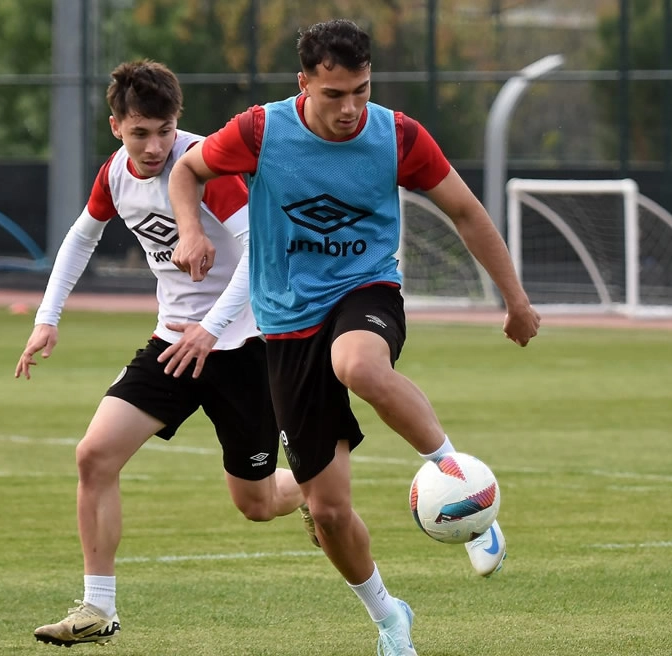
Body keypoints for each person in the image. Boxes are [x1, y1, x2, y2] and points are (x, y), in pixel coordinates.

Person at [168, 19, 541, 656]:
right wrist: (190, 230)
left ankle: (466, 489)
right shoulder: (260, 130)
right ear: (303, 84)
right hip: (286, 325)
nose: (350, 109)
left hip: (365, 291)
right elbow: (186, 172)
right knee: (329, 512)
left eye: (361, 91)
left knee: (359, 365)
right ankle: (390, 619)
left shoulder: (398, 136)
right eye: (334, 94)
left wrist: (516, 299)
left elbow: (465, 211)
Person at [15, 59, 306, 648]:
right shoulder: (114, 174)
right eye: (140, 132)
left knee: (256, 504)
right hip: (173, 346)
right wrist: (48, 318)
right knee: (94, 455)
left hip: (244, 348)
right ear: (116, 126)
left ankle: (310, 486)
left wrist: (212, 328)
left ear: (179, 122)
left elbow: (261, 255)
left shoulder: (207, 167)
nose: (154, 147)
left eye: (165, 130)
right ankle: (98, 608)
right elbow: (81, 237)